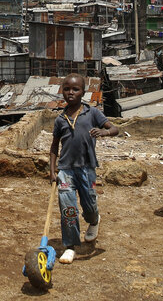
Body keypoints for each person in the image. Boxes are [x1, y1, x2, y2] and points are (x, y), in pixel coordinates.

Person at [49, 73, 118, 264]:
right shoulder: (60, 119)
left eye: (75, 89)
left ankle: (94, 220)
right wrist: (53, 170)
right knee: (68, 209)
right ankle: (70, 246)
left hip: (87, 169)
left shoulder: (92, 113)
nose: (71, 93)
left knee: (89, 206)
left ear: (83, 92)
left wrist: (104, 132)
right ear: (62, 91)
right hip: (66, 170)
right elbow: (54, 147)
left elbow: (114, 129)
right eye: (67, 89)